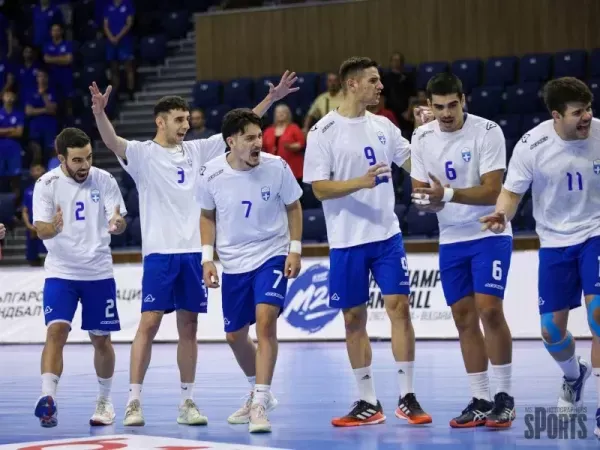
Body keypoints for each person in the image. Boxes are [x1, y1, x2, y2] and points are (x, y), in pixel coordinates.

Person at [89, 71, 299, 427]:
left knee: (189, 328)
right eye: (179, 119)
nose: (186, 125)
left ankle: (187, 402)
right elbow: (112, 142)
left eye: (187, 118)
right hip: (159, 252)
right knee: (149, 323)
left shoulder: (199, 150)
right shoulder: (142, 154)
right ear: (160, 122)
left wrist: (271, 98)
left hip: (193, 254)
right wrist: (99, 113)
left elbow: (240, 129)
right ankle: (133, 402)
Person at [303, 56, 431, 427]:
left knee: (399, 307)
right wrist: (359, 182)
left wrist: (426, 136)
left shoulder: (384, 125)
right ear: (352, 84)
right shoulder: (323, 131)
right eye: (373, 80)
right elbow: (319, 188)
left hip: (386, 235)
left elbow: (415, 165)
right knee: (353, 319)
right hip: (346, 240)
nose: (381, 86)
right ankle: (367, 401)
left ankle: (407, 396)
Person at [481, 76, 600, 436]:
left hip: (596, 232)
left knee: (598, 315)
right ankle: (574, 376)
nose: (586, 117)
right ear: (556, 115)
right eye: (578, 112)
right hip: (554, 241)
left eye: (589, 108)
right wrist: (502, 215)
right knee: (551, 330)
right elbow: (511, 193)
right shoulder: (532, 144)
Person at [410, 72, 515, 428]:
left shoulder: (487, 131)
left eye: (452, 105)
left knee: (490, 310)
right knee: (463, 318)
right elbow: (420, 194)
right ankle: (481, 398)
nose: (446, 113)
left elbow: (492, 191)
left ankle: (504, 397)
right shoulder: (421, 136)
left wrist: (447, 195)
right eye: (439, 107)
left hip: (489, 232)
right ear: (429, 105)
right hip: (451, 237)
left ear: (463, 100)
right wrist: (427, 202)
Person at [199, 109, 303, 433]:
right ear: (231, 142)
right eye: (249, 138)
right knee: (234, 336)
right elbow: (206, 215)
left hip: (272, 253)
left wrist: (295, 249)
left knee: (265, 321)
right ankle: (258, 390)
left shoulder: (277, 167)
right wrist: (207, 258)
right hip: (233, 262)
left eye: (259, 136)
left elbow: (294, 206)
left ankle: (259, 402)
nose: (258, 143)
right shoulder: (211, 173)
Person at [32, 127, 127, 428]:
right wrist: (54, 227)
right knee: (56, 332)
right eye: (77, 160)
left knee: (101, 339)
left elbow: (118, 219)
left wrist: (117, 223)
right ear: (61, 158)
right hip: (61, 272)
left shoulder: (105, 179)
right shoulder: (46, 184)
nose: (85, 165)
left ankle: (105, 401)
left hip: (98, 272)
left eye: (88, 157)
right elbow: (41, 229)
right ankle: (48, 399)